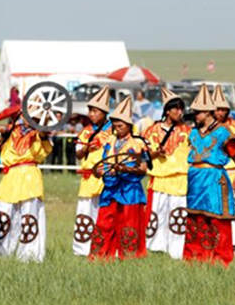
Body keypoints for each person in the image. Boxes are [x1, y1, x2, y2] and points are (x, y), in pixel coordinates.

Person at [183, 85, 235, 266]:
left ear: (208, 113)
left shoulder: (223, 132)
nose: (195, 116)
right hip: (195, 179)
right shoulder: (193, 132)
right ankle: (196, 257)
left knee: (217, 219)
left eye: (198, 113)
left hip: (214, 178)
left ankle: (221, 259)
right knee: (196, 218)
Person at [0, 106, 52, 262]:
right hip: (10, 177)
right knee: (2, 216)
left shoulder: (38, 134)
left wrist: (45, 115)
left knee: (29, 216)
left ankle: (29, 257)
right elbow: (0, 127)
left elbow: (43, 130)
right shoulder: (11, 131)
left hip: (29, 176)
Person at [90, 96, 148, 259]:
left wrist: (124, 169)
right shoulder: (110, 141)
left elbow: (143, 168)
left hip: (129, 190)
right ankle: (100, 257)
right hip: (110, 189)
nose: (118, 129)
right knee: (104, 223)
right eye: (115, 126)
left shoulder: (138, 144)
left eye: (121, 126)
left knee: (128, 225)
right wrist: (101, 171)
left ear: (129, 126)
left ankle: (128, 257)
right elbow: (103, 162)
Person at [143, 88, 191, 259]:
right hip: (160, 179)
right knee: (157, 215)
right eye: (175, 108)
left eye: (181, 108)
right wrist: (156, 153)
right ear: (167, 111)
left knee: (177, 217)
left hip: (180, 180)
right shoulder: (152, 130)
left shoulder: (188, 131)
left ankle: (176, 252)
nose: (179, 112)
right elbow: (143, 153)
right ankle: (156, 248)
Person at [71, 86, 113, 256]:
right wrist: (88, 147)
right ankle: (83, 250)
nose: (91, 115)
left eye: (95, 111)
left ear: (104, 112)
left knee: (104, 214)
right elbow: (79, 153)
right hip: (88, 179)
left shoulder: (114, 129)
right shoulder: (86, 131)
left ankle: (105, 248)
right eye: (90, 111)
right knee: (85, 213)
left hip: (106, 177)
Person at [212, 85, 235, 253]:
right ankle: (217, 243)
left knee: (234, 212)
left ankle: (234, 246)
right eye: (217, 109)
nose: (220, 113)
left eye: (223, 109)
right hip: (214, 173)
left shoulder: (234, 128)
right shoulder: (207, 127)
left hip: (232, 171)